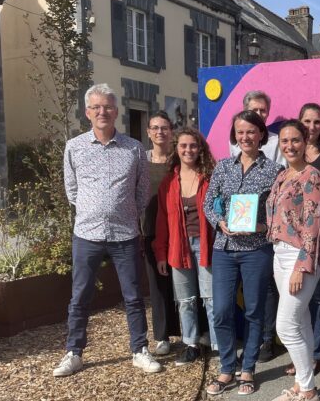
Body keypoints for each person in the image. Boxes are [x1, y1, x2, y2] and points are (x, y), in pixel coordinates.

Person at [54, 83, 159, 377]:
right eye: (97, 107)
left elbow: (142, 191)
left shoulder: (134, 149)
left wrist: (123, 213)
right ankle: (74, 352)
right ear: (88, 112)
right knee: (80, 296)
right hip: (87, 234)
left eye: (108, 107)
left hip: (125, 235)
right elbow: (71, 189)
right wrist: (94, 210)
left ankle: (139, 349)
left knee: (134, 296)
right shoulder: (74, 147)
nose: (103, 112)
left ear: (116, 112)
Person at [203, 110, 283, 396]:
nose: (245, 137)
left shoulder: (274, 171)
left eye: (251, 131)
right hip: (224, 250)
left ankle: (247, 368)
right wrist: (219, 221)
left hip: (256, 250)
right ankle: (227, 369)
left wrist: (261, 226)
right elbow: (209, 203)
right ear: (234, 135)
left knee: (253, 311)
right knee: (222, 310)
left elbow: (280, 214)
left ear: (261, 134)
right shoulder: (223, 167)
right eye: (240, 132)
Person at [265, 119, 320, 401]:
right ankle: (302, 385)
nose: (289, 145)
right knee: (300, 321)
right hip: (279, 254)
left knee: (286, 326)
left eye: (295, 140)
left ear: (306, 142)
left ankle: (310, 390)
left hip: (300, 256)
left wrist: (302, 266)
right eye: (285, 141)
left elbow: (313, 224)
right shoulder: (282, 175)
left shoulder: (311, 175)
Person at [283, 103, 320, 376]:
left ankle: (315, 353)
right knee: (298, 296)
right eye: (306, 121)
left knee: (318, 296)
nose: (311, 126)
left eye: (317, 121)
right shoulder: (289, 152)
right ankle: (301, 353)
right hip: (295, 236)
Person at [153, 127, 218, 365]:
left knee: (211, 298)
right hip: (178, 247)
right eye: (183, 146)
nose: (188, 150)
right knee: (186, 300)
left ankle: (218, 345)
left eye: (193, 145)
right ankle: (191, 343)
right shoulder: (169, 183)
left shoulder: (210, 177)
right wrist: (161, 253)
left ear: (200, 149)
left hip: (206, 244)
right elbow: (162, 221)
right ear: (176, 149)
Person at [229, 90, 286, 363]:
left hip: (268, 229)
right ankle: (255, 338)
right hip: (240, 232)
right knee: (250, 289)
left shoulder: (276, 142)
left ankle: (267, 339)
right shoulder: (234, 144)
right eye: (255, 110)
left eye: (264, 111)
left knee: (269, 288)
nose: (260, 115)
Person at [142, 111, 182, 357]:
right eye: (155, 128)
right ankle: (162, 336)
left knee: (182, 283)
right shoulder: (141, 161)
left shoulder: (180, 160)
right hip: (150, 229)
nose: (160, 132)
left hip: (178, 229)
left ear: (171, 131)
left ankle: (189, 331)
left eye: (164, 128)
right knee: (157, 284)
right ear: (148, 132)